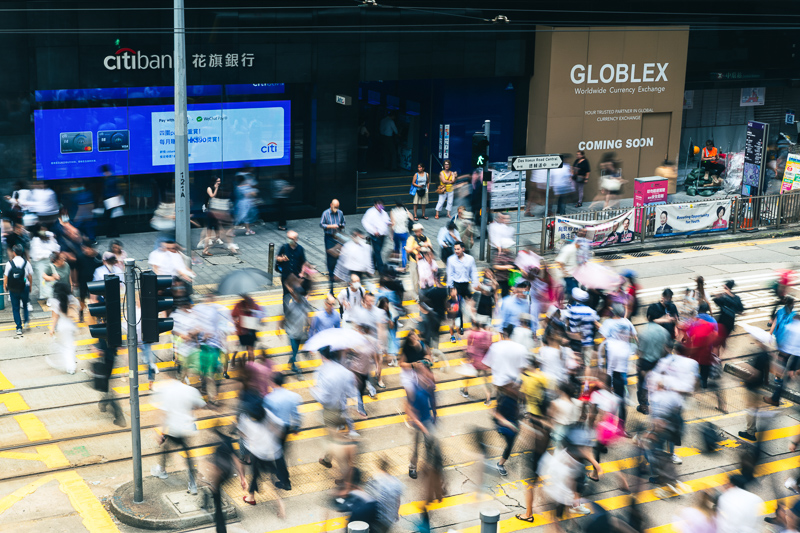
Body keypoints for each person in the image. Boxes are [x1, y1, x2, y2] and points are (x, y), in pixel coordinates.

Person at [150, 371, 207, 495]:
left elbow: (164, 414)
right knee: (189, 456)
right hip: (188, 428)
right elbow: (200, 405)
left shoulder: (168, 391)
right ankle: (193, 485)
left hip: (175, 428)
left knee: (165, 448)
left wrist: (160, 433)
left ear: (169, 377)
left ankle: (162, 470)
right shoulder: (191, 390)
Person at [237, 398, 286, 516]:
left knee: (256, 475)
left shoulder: (246, 419)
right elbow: (280, 426)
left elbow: (242, 434)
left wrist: (249, 438)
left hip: (257, 453)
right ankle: (278, 503)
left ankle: (251, 497)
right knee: (271, 476)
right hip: (271, 452)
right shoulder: (266, 413)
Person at [263, 372, 302, 491]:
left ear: (273, 382)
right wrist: (296, 426)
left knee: (278, 455)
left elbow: (266, 416)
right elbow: (296, 414)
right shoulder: (292, 396)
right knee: (279, 452)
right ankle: (279, 472)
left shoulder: (269, 398)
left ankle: (285, 481)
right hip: (286, 428)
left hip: (274, 429)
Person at [636, 304, 671, 414]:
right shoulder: (664, 332)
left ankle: (644, 406)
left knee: (643, 385)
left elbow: (640, 352)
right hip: (658, 362)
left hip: (645, 362)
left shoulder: (642, 332)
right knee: (657, 384)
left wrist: (638, 365)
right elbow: (666, 350)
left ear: (648, 316)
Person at [45, 282, 78, 375]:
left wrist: (51, 329)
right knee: (70, 346)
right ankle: (71, 367)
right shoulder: (72, 299)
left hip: (62, 326)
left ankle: (69, 365)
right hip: (71, 325)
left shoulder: (55, 301)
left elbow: (55, 317)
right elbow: (76, 312)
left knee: (67, 346)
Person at [564, 288, 601, 367]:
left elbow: (567, 324)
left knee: (576, 363)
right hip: (588, 341)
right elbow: (597, 324)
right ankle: (586, 379)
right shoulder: (591, 311)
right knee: (587, 365)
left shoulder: (571, 310)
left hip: (575, 341)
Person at [284, 281, 312, 375]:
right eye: (298, 294)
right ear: (295, 295)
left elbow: (307, 314)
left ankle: (291, 361)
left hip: (301, 332)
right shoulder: (291, 306)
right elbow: (284, 318)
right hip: (292, 333)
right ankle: (295, 367)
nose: (300, 296)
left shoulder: (305, 302)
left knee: (296, 350)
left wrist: (309, 325)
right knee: (295, 351)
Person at [4, 244, 32, 336]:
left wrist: (5, 287)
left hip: (13, 289)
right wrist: (30, 286)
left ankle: (19, 328)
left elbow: (6, 277)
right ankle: (26, 321)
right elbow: (30, 276)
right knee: (25, 305)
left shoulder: (9, 263)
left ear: (14, 252)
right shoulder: (26, 263)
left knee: (15, 308)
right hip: (25, 287)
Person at [231, 295, 263, 372]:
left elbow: (233, 316)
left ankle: (250, 367)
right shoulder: (250, 304)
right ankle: (249, 366)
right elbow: (261, 315)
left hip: (246, 331)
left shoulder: (241, 304)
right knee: (248, 350)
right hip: (247, 330)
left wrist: (250, 311)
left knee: (249, 350)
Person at [320, 199, 345, 292]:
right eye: (335, 207)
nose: (336, 209)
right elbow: (321, 224)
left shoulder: (340, 213)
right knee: (330, 255)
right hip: (329, 236)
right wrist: (331, 226)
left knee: (339, 254)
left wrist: (341, 225)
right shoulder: (325, 213)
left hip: (337, 236)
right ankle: (331, 275)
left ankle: (337, 273)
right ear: (331, 205)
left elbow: (343, 222)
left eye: (337, 207)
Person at [29, 224, 60, 299]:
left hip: (50, 261)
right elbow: (37, 253)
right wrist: (49, 252)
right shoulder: (35, 240)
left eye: (45, 229)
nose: (44, 231)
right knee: (44, 279)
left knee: (53, 278)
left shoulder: (50, 238)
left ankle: (51, 295)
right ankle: (47, 296)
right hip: (41, 263)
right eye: (42, 229)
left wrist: (51, 238)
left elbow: (56, 248)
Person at [361, 199, 391, 274]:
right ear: (375, 204)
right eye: (378, 204)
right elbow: (364, 222)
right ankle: (381, 270)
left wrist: (389, 223)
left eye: (381, 204)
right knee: (377, 252)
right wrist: (373, 231)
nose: (380, 206)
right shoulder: (370, 212)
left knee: (378, 251)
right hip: (375, 236)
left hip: (383, 236)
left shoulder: (384, 213)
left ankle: (373, 265)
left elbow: (386, 220)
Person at [712, 279, 743, 349]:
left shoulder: (724, 298)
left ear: (727, 288)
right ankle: (722, 354)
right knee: (722, 340)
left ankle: (719, 357)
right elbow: (741, 310)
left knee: (716, 344)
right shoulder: (737, 298)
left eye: (724, 288)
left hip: (723, 323)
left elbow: (716, 301)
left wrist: (720, 295)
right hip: (729, 323)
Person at [446, 242, 478, 306]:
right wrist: (451, 288)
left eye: (458, 249)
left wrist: (475, 283)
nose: (456, 251)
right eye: (455, 249)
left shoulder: (470, 259)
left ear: (463, 249)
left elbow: (473, 272)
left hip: (466, 284)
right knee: (456, 305)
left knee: (470, 304)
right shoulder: (451, 260)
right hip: (456, 285)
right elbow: (450, 274)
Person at [405, 223, 433, 295]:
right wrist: (416, 247)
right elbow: (408, 249)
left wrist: (427, 245)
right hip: (414, 261)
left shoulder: (425, 238)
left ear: (421, 230)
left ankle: (427, 293)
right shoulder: (411, 239)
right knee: (415, 279)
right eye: (416, 231)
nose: (418, 232)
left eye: (419, 231)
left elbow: (430, 247)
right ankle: (416, 295)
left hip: (424, 262)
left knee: (426, 278)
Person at [389, 201, 410, 268]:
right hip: (404, 232)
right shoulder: (405, 210)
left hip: (396, 232)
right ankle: (404, 265)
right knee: (404, 248)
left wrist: (391, 234)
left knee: (396, 248)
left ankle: (396, 263)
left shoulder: (393, 211)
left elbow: (393, 223)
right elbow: (411, 217)